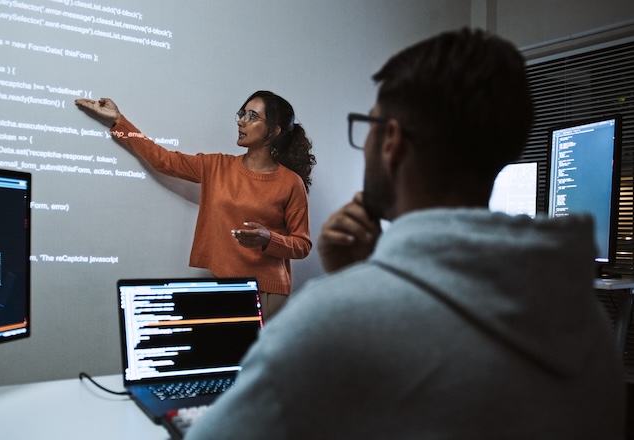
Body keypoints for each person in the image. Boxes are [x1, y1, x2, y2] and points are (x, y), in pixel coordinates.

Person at [184, 28, 626, 439]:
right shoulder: (588, 329)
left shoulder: (327, 320)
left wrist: (353, 291)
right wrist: (367, 275)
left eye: (369, 126)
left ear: (391, 141)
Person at [75, 91, 315, 321]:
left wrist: (268, 239)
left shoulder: (290, 183)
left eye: (252, 116)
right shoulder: (217, 167)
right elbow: (162, 160)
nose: (241, 121)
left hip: (266, 292)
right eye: (242, 113)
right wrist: (118, 121)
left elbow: (302, 245)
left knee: (253, 353)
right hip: (222, 285)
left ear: (274, 131)